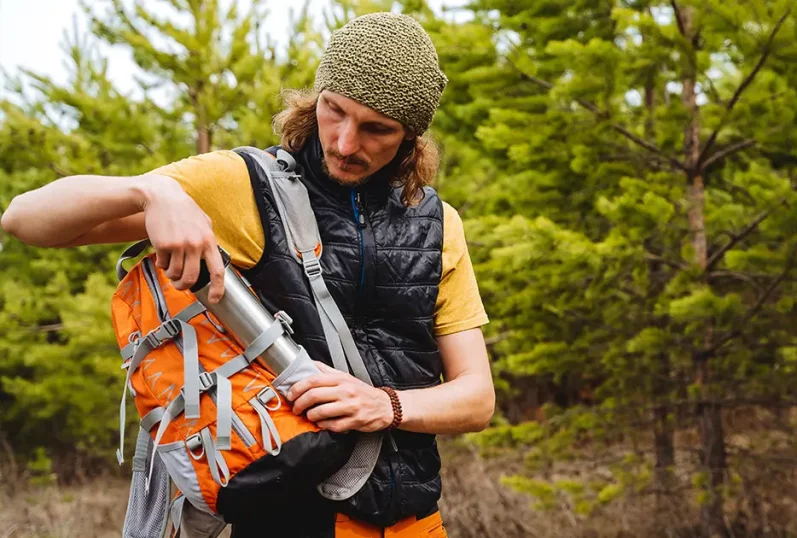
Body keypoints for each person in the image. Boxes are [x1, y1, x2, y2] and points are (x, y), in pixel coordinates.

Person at [0, 12, 494, 538]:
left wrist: (386, 406)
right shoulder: (246, 186)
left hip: (417, 523)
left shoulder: (438, 223)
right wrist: (150, 192)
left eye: (377, 129)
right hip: (289, 519)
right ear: (316, 98)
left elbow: (476, 398)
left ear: (412, 135)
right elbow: (25, 218)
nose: (346, 143)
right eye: (334, 111)